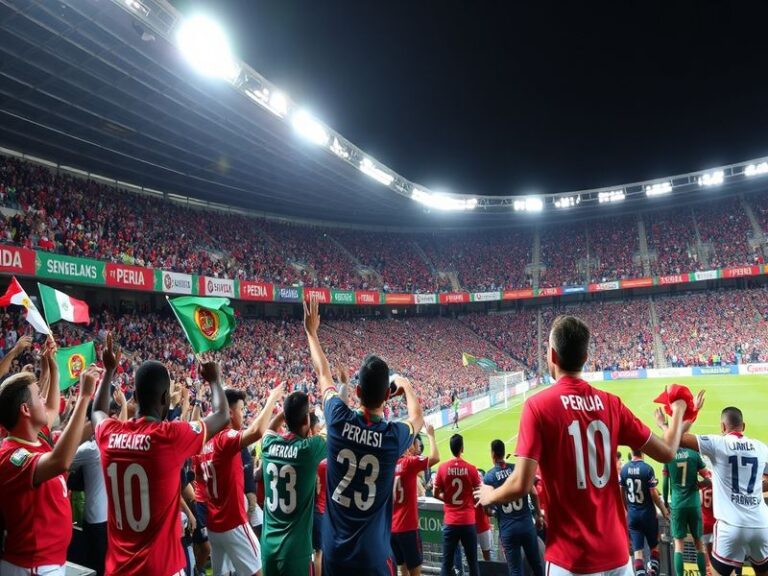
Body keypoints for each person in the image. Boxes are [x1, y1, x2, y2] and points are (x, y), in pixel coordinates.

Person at [475, 315, 701, 576]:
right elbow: (668, 452)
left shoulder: (538, 407)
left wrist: (490, 494)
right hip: (617, 557)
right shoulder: (612, 404)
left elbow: (521, 484)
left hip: (570, 559)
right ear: (585, 358)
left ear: (552, 355)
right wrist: (679, 409)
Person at [91, 333, 231, 576]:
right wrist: (215, 380)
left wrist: (109, 371)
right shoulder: (169, 437)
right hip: (161, 568)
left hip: (118, 569)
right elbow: (222, 415)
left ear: (134, 397)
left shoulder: (109, 434)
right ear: (166, 398)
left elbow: (97, 412)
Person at [303, 299, 424, 576]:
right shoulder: (392, 438)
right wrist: (405, 386)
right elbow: (417, 418)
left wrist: (312, 332)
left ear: (356, 392)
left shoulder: (336, 417)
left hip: (334, 554)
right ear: (386, 396)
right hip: (373, 558)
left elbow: (324, 374)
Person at [0, 341, 99, 576]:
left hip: (47, 564)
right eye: (38, 396)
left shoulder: (37, 439)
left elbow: (52, 408)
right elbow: (60, 462)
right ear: (25, 410)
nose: (44, 400)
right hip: (31, 567)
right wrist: (84, 397)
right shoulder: (11, 457)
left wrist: (54, 366)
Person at [196, 385, 284, 576]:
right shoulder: (225, 437)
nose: (243, 414)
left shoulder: (204, 443)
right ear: (229, 412)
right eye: (241, 409)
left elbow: (199, 481)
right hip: (233, 522)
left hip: (214, 526)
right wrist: (272, 399)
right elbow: (257, 431)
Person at [673, 406, 768, 576]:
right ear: (743, 426)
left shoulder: (718, 443)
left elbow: (676, 439)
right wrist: (752, 490)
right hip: (761, 525)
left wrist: (692, 413)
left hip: (730, 527)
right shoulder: (762, 447)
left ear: (723, 427)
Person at [260, 390, 326, 575]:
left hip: (268, 547)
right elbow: (334, 426)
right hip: (295, 550)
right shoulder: (309, 450)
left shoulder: (268, 444)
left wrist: (288, 411)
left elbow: (268, 430)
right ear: (306, 420)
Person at [484, 439, 544, 576]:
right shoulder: (517, 470)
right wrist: (538, 515)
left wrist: (495, 512)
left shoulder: (489, 477)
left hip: (508, 528)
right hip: (526, 524)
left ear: (493, 454)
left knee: (516, 570)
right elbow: (534, 492)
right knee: (536, 564)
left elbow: (486, 508)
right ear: (504, 452)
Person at [392, 426, 440, 576]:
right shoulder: (408, 463)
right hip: (408, 527)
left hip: (392, 529)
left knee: (402, 568)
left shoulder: (388, 465)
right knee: (415, 571)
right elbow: (435, 458)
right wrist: (431, 435)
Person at [434, 434, 481, 576]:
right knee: (473, 562)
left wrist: (448, 500)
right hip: (468, 521)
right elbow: (479, 493)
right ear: (462, 448)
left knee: (446, 563)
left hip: (450, 522)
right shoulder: (471, 469)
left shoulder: (442, 469)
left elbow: (436, 494)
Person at [661, 444, 710, 576]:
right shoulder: (694, 454)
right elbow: (707, 477)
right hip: (694, 503)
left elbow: (665, 484)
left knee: (678, 545)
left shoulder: (668, 455)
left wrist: (665, 502)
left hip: (677, 504)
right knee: (699, 543)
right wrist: (700, 484)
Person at [620, 450, 669, 576]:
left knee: (638, 551)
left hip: (633, 515)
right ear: (643, 452)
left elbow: (622, 493)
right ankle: (652, 572)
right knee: (654, 547)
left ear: (630, 451)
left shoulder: (624, 469)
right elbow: (653, 494)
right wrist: (663, 510)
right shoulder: (647, 469)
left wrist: (628, 509)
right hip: (648, 515)